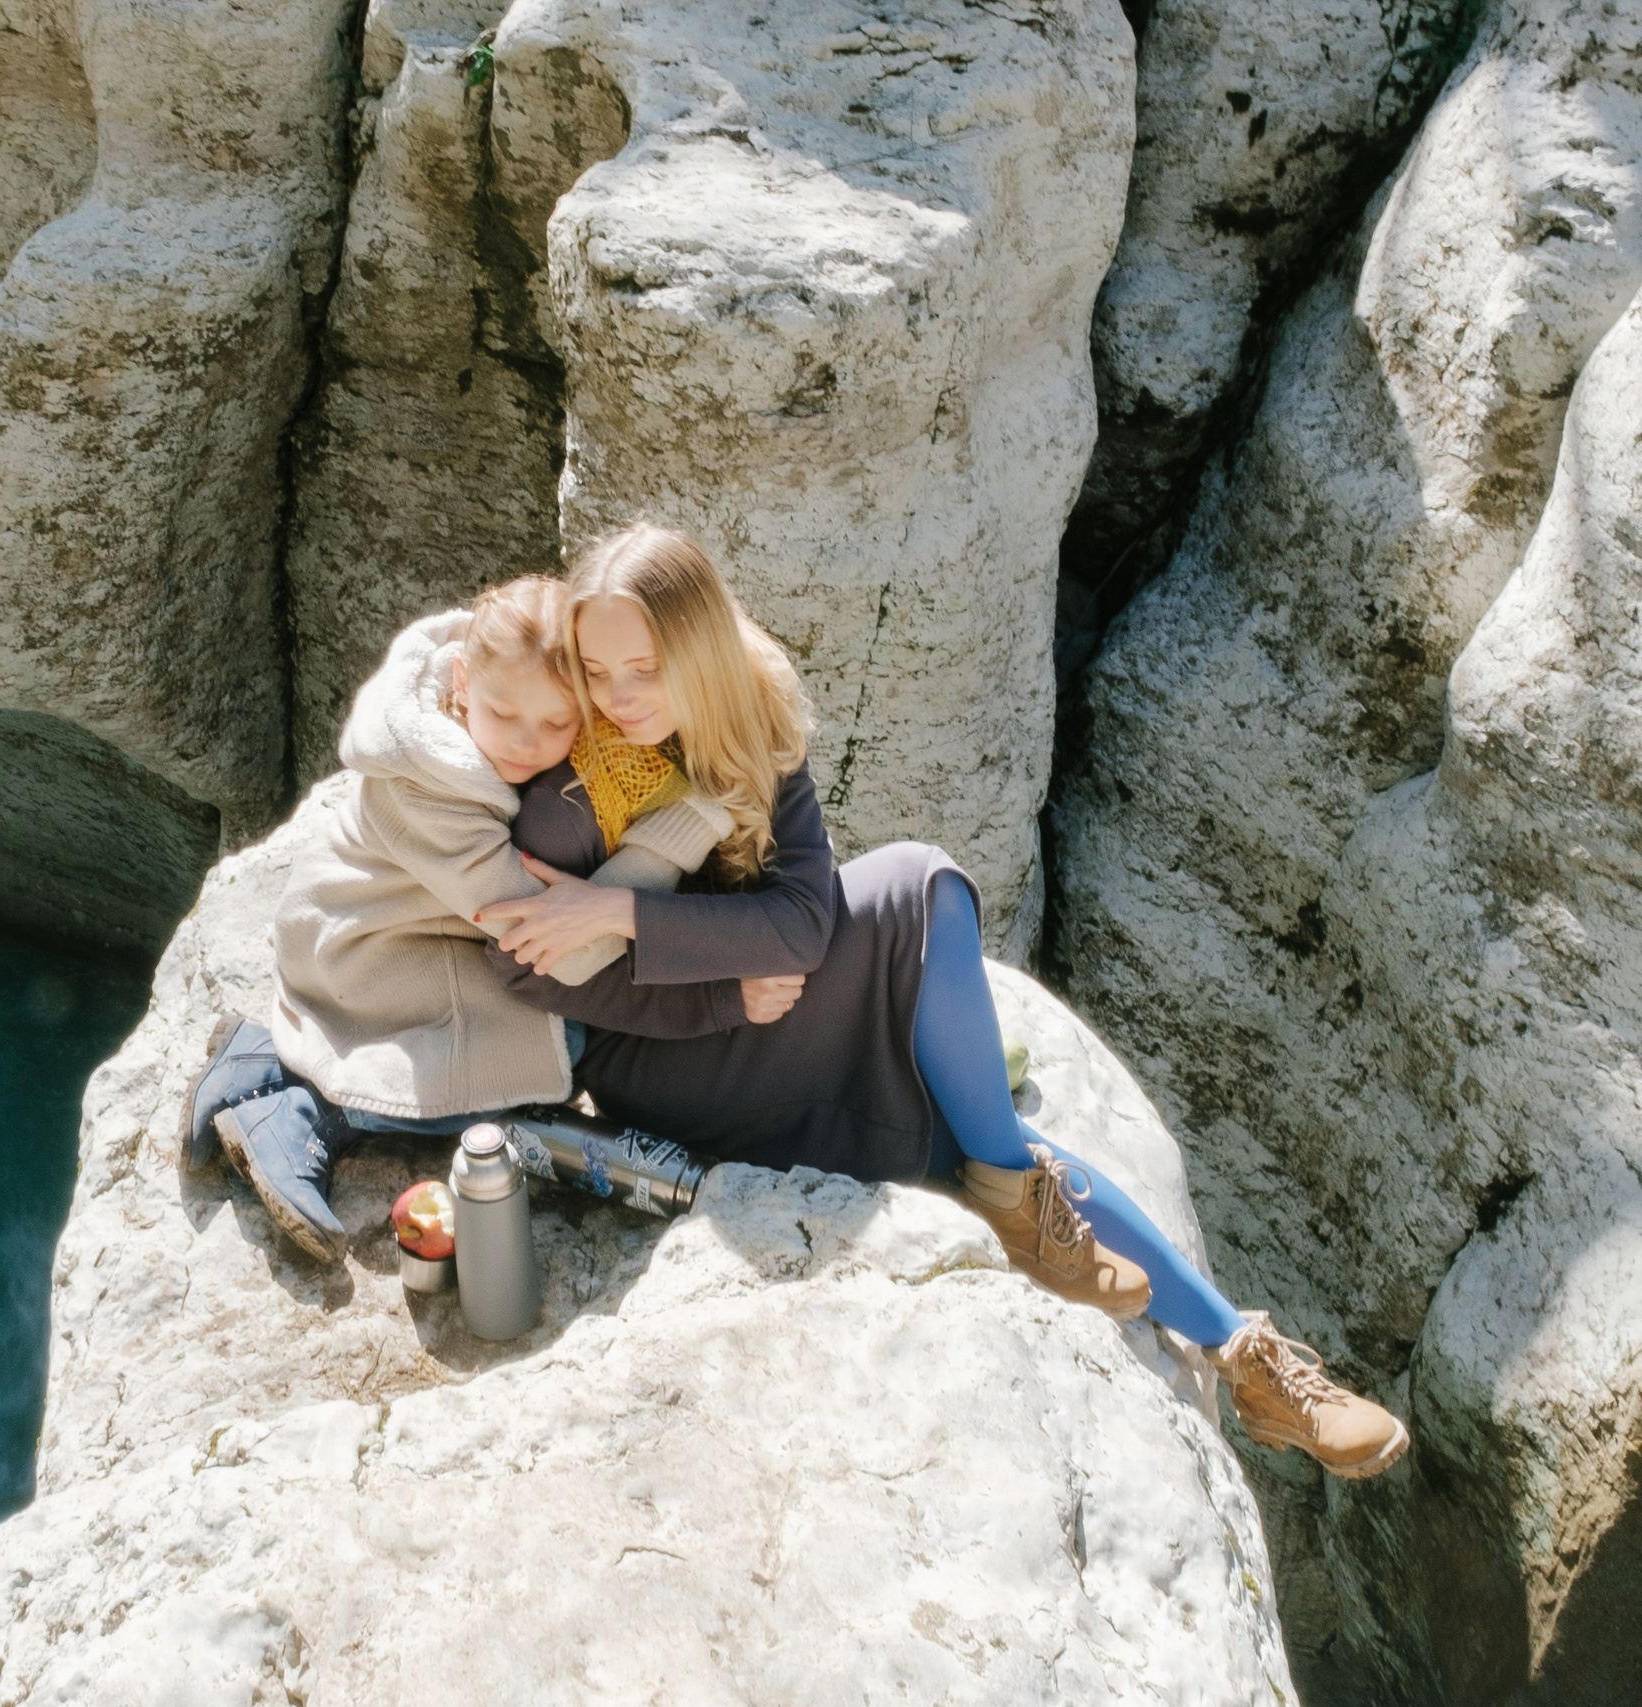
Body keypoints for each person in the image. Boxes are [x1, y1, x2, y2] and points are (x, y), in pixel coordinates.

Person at [471, 520, 1409, 1481]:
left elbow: (802, 920)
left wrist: (620, 907)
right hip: (680, 1061)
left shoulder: (748, 714)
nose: (617, 699)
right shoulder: (566, 790)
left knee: (980, 1133)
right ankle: (1048, 1223)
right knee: (921, 889)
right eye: (596, 671)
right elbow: (533, 974)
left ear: (702, 652)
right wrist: (717, 994)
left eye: (645, 668)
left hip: (785, 1009)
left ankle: (1242, 1354)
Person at [184, 576, 731, 1261]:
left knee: (555, 1045)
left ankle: (284, 1072)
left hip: (440, 926)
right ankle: (296, 1094)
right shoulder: (429, 788)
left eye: (558, 723)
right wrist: (674, 834)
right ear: (464, 681)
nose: (529, 743)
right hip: (365, 950)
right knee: (509, 1081)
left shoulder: (496, 696)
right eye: (504, 714)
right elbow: (561, 946)